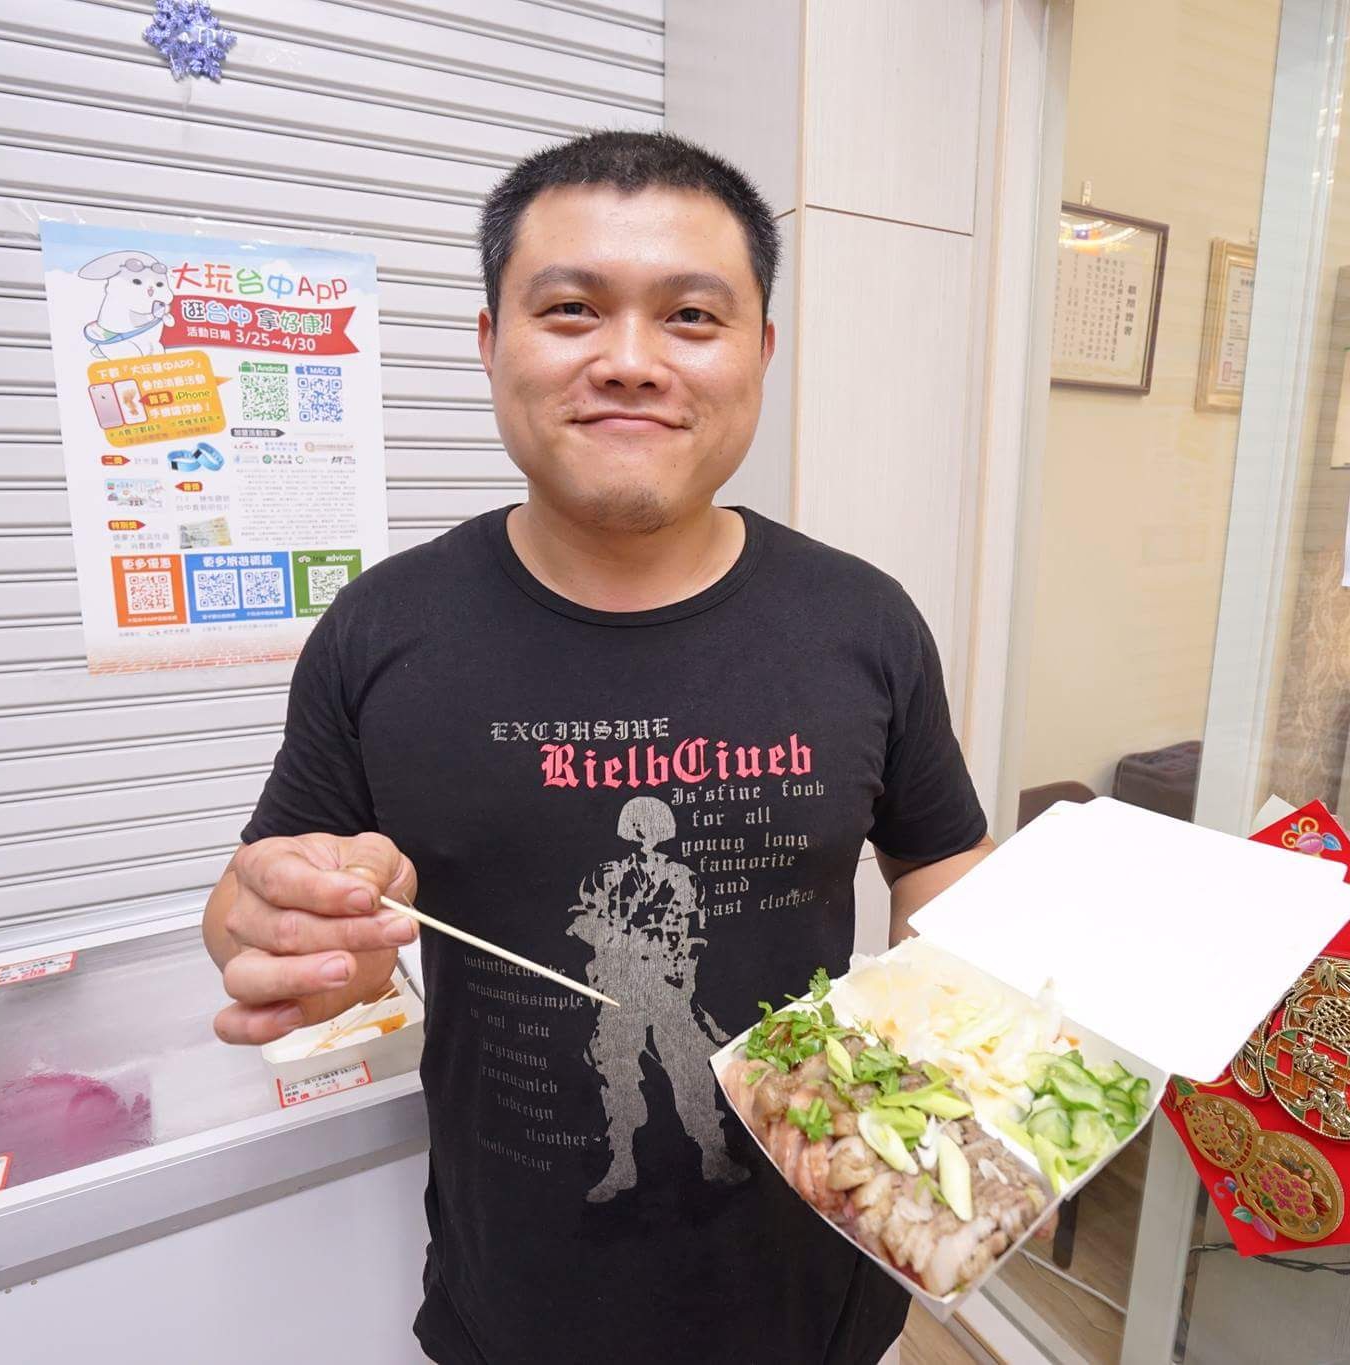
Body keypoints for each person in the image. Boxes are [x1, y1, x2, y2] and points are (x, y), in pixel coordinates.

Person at [203, 131, 995, 1365]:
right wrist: (286, 938)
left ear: (760, 352)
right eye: (571, 309)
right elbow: (262, 899)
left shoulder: (862, 620)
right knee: (630, 1095)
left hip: (816, 1294)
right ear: (490, 341)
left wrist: (1000, 1041)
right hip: (513, 1304)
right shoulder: (382, 630)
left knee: (684, 1088)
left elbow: (940, 865)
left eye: (690, 316)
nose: (629, 360)